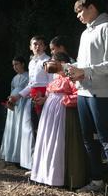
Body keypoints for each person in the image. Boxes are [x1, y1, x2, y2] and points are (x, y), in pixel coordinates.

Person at [65, 0, 108, 196]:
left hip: (101, 93)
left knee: (107, 138)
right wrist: (71, 71)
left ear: (92, 7)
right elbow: (83, 64)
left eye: (81, 11)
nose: (79, 16)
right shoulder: (85, 33)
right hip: (83, 92)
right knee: (88, 139)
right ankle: (97, 180)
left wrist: (85, 71)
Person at [29, 52, 87, 188]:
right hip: (49, 114)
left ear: (61, 63)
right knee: (47, 140)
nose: (50, 64)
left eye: (53, 61)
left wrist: (64, 100)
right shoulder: (55, 79)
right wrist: (43, 99)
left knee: (59, 142)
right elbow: (50, 93)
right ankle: (45, 173)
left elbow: (79, 94)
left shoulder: (71, 78)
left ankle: (58, 176)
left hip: (63, 114)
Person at [9, 36, 50, 170]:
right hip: (33, 98)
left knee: (45, 131)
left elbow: (51, 82)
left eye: (40, 44)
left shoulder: (48, 61)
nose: (37, 47)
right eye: (35, 44)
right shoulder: (32, 63)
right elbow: (31, 84)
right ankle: (37, 165)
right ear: (30, 47)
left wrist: (46, 97)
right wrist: (18, 97)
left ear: (44, 47)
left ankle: (46, 165)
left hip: (45, 98)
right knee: (35, 130)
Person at [0, 56, 30, 165]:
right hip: (14, 104)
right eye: (13, 65)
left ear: (23, 64)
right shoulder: (15, 78)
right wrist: (9, 101)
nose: (15, 67)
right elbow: (12, 90)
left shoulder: (28, 76)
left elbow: (28, 90)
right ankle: (12, 155)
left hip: (23, 103)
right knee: (12, 129)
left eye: (17, 64)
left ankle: (20, 157)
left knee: (21, 128)